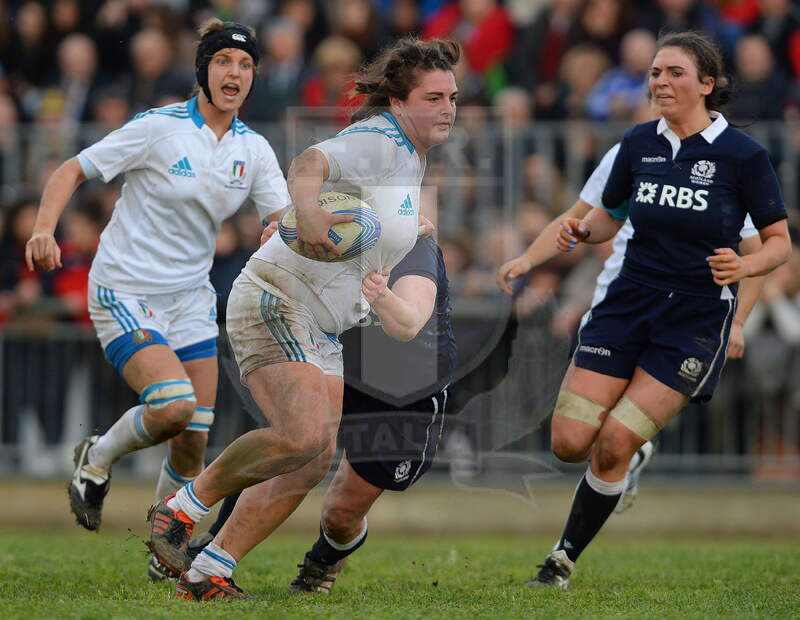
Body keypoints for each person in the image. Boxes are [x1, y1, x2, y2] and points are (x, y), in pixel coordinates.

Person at [146, 37, 460, 601]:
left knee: (311, 458)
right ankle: (182, 508)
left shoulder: (409, 159)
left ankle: (209, 570)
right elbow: (309, 164)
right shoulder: (380, 140)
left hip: (320, 324)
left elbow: (373, 221)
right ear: (398, 103)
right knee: (304, 435)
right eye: (433, 98)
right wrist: (308, 212)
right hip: (277, 298)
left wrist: (413, 229)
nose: (447, 109)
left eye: (452, 98)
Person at [520, 31, 790, 589]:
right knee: (568, 443)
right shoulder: (638, 142)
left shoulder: (744, 155)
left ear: (707, 84)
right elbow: (607, 218)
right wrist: (581, 231)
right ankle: (631, 454)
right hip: (626, 305)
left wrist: (745, 270)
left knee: (611, 446)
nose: (660, 82)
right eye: (655, 72)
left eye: (674, 73)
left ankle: (560, 561)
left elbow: (779, 244)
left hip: (694, 319)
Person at [25, 20, 289, 562]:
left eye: (244, 65)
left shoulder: (254, 149)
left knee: (193, 437)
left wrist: (308, 238)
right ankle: (96, 456)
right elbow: (71, 170)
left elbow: (282, 222)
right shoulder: (158, 127)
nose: (234, 72)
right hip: (124, 288)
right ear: (204, 70)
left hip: (190, 298)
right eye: (223, 61)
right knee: (173, 407)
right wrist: (43, 230)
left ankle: (164, 548)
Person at [497, 113, 766, 515]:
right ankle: (631, 453)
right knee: (571, 441)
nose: (661, 97)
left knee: (617, 435)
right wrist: (528, 260)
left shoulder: (726, 164)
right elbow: (579, 216)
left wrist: (738, 322)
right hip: (615, 306)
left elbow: (757, 250)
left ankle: (622, 460)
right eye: (656, 87)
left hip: (681, 313)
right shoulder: (628, 151)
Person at [183, 232, 456, 595]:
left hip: (401, 389)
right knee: (291, 446)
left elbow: (407, 325)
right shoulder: (336, 225)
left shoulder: (412, 245)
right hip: (338, 358)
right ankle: (210, 547)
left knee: (340, 514)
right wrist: (282, 240)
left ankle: (322, 560)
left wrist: (379, 294)